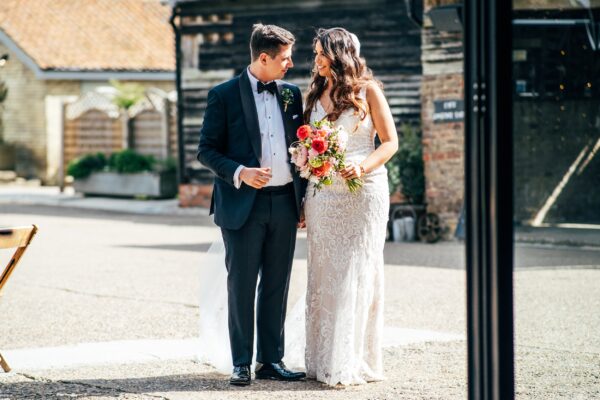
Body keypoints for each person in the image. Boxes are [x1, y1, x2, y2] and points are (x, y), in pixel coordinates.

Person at [197, 23, 307, 386]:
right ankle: (241, 361)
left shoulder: (292, 94)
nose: (290, 64)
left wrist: (302, 198)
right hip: (243, 205)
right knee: (241, 284)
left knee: (278, 283)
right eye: (285, 58)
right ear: (264, 57)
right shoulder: (223, 95)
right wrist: (241, 171)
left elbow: (301, 147)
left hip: (285, 203)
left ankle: (271, 360)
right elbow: (206, 150)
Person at [303, 27, 399, 386]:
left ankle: (352, 359)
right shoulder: (313, 94)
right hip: (323, 196)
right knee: (325, 272)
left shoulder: (368, 91)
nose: (315, 61)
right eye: (315, 54)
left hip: (364, 192)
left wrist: (363, 166)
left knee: (357, 272)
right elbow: (309, 145)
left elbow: (390, 143)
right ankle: (323, 359)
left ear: (340, 54)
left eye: (320, 54)